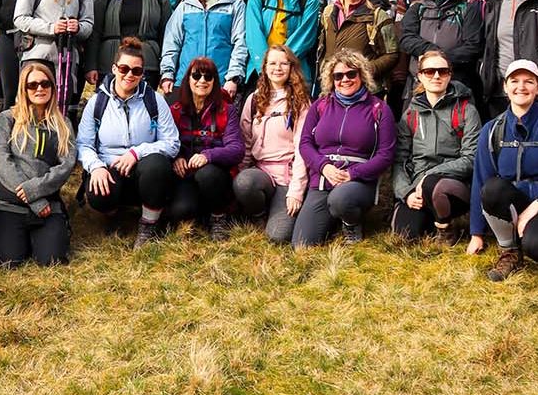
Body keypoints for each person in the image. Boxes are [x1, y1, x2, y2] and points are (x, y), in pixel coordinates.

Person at [466, 60, 538, 281]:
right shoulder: (491, 130)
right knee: (492, 188)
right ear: (505, 86)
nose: (521, 87)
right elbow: (480, 181)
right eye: (515, 81)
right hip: (515, 201)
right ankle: (509, 251)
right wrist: (476, 233)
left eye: (529, 81)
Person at [78, 37, 180, 249]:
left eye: (136, 71)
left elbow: (172, 142)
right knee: (98, 195)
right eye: (124, 68)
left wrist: (137, 153)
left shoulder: (154, 100)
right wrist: (96, 167)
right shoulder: (97, 102)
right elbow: (84, 144)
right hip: (110, 167)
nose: (129, 75)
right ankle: (114, 213)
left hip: (143, 169)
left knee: (157, 166)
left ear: (143, 73)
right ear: (114, 68)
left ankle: (148, 224)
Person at [293, 52, 395, 246]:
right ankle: (332, 220)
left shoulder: (379, 108)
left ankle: (351, 222)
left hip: (358, 180)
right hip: (324, 178)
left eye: (351, 74)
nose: (345, 79)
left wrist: (352, 174)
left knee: (341, 199)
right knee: (302, 245)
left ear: (362, 75)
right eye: (338, 76)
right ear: (331, 79)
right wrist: (323, 167)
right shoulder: (320, 106)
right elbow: (305, 143)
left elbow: (386, 154)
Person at [0, 63, 75, 266]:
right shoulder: (7, 119)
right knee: (8, 263)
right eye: (32, 84)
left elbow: (66, 165)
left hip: (48, 206)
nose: (39, 89)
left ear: (53, 88)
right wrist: (34, 199)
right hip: (11, 205)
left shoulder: (63, 123)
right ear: (23, 89)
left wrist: (36, 190)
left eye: (45, 83)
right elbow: (2, 161)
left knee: (52, 261)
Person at [391, 50, 480, 243]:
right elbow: (400, 159)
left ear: (450, 75)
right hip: (416, 188)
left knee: (434, 184)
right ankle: (430, 218)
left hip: (453, 186)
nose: (437, 76)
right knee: (405, 235)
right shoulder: (410, 114)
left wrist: (428, 176)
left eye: (443, 71)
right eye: (430, 71)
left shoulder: (467, 111)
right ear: (420, 76)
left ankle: (446, 229)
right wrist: (406, 192)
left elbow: (471, 159)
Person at [13, 0, 94, 116]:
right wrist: (51, 28)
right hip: (38, 56)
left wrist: (78, 27)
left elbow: (89, 23)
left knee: (64, 109)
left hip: (68, 57)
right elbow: (20, 18)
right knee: (33, 108)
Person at [233, 46, 309, 244]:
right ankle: (258, 214)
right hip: (261, 174)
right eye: (272, 63)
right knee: (244, 183)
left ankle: (277, 212)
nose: (278, 68)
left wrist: (296, 191)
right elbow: (247, 142)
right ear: (265, 67)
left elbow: (303, 149)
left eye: (284, 63)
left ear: (291, 67)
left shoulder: (300, 101)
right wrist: (240, 177)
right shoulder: (254, 99)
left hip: (287, 176)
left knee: (278, 236)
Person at [166, 58, 244, 240]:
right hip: (186, 174)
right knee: (182, 211)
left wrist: (208, 156)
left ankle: (218, 217)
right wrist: (176, 156)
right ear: (188, 80)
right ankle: (198, 213)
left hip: (215, 174)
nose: (202, 81)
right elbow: (166, 141)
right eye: (196, 75)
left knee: (207, 175)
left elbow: (237, 149)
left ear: (215, 81)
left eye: (208, 76)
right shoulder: (175, 110)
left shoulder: (227, 110)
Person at [161, 0, 249, 100]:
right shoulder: (187, 4)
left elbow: (240, 44)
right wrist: (167, 74)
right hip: (185, 81)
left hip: (219, 83)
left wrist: (233, 78)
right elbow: (172, 41)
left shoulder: (236, 5)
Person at [86, 0, 172, 91]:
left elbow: (166, 36)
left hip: (147, 67)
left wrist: (165, 71)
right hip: (110, 66)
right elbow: (95, 32)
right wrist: (91, 65)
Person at [316, 0, 398, 95]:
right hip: (333, 90)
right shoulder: (328, 13)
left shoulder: (378, 16)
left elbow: (392, 55)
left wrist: (363, 70)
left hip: (366, 92)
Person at [399, 0, 482, 90]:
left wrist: (441, 61)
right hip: (420, 84)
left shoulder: (467, 10)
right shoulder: (417, 8)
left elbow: (473, 46)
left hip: (457, 84)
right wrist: (430, 52)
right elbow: (406, 38)